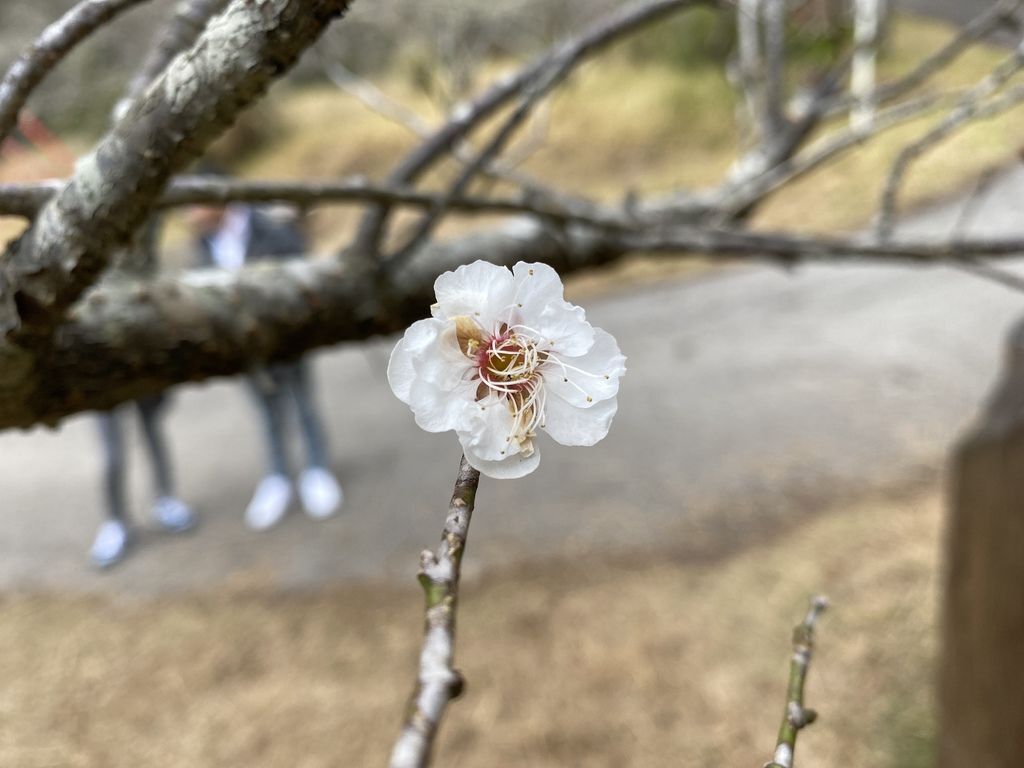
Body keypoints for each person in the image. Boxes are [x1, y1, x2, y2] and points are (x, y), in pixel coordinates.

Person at [188, 201, 343, 530]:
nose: (190, 214)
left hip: (287, 338)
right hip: (246, 350)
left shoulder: (271, 224)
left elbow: (299, 267)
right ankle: (278, 477)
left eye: (195, 205)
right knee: (266, 413)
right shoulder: (203, 241)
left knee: (303, 404)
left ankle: (317, 469)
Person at [90, 222, 196, 568]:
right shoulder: (84, 258)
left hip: (142, 363)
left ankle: (166, 500)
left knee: (154, 434)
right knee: (112, 454)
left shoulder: (142, 258)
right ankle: (116, 521)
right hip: (100, 371)